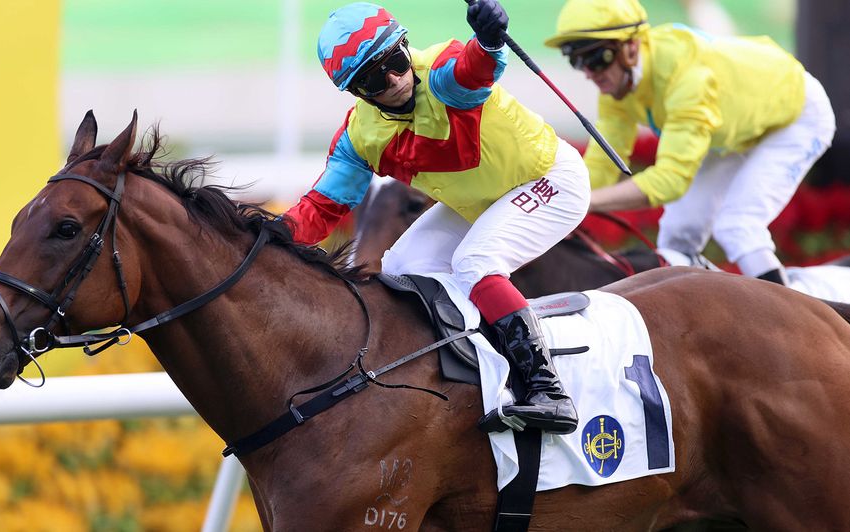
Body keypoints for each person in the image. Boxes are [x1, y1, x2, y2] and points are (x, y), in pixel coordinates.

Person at [282, 1, 591, 434]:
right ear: (357, 92)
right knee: (400, 268)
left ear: (407, 49)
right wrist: (273, 233)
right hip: (481, 202)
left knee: (475, 264)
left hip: (550, 180)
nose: (393, 80)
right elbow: (323, 206)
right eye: (373, 78)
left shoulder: (442, 72)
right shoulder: (358, 137)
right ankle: (473, 371)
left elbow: (472, 70)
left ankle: (549, 390)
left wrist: (486, 39)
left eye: (395, 61)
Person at [545, 0, 836, 285]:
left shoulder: (687, 78)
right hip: (733, 128)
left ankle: (788, 324)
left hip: (797, 117)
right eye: (576, 60)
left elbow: (671, 181)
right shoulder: (616, 85)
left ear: (631, 48)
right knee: (677, 234)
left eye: (597, 58)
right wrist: (562, 204)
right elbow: (600, 165)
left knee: (738, 226)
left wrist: (587, 202)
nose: (588, 72)